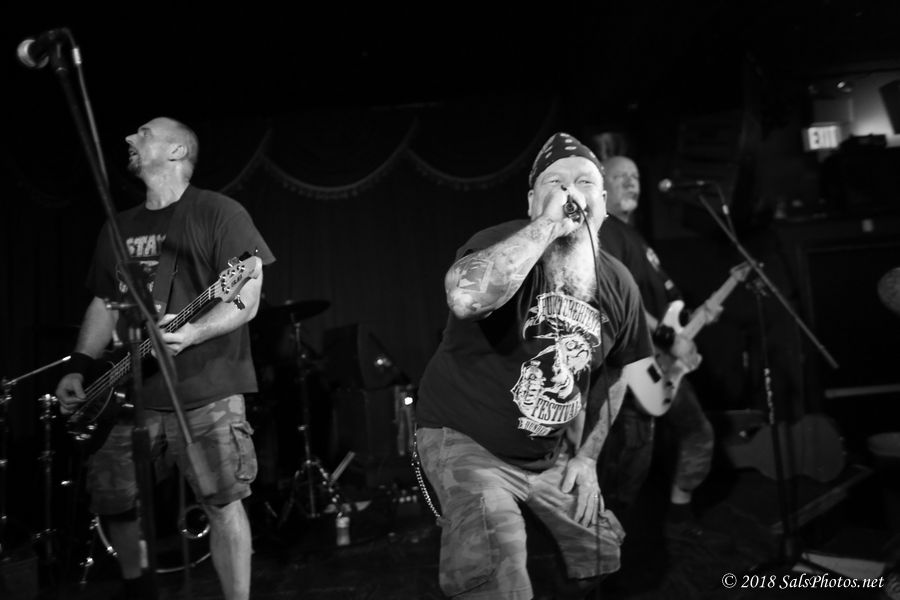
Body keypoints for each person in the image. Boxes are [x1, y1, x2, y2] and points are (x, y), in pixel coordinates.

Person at [415, 133, 654, 599]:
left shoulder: (619, 283)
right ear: (531, 201)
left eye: (584, 182)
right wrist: (547, 225)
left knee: (602, 548)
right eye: (555, 183)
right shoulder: (499, 244)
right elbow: (465, 299)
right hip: (465, 439)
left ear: (603, 205)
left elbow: (616, 374)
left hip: (544, 456)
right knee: (497, 573)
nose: (570, 192)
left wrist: (586, 458)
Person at [55, 117, 275, 600]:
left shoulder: (219, 212)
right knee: (113, 500)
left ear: (177, 152)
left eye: (143, 133)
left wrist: (195, 330)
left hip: (206, 388)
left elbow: (247, 296)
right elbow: (104, 303)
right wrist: (79, 365)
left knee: (222, 502)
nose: (128, 139)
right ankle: (138, 586)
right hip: (124, 392)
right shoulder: (118, 226)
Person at [596, 155, 727, 546]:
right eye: (620, 176)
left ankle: (678, 516)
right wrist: (669, 338)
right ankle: (609, 545)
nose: (631, 183)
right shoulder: (605, 229)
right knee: (631, 459)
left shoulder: (637, 239)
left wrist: (697, 317)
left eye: (635, 176)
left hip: (661, 361)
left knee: (696, 433)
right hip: (631, 361)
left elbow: (667, 300)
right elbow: (616, 296)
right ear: (601, 186)